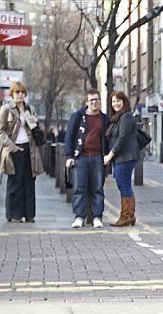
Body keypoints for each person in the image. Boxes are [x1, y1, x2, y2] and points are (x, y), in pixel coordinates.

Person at [0, 81, 44, 223]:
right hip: (14, 150)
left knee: (29, 182)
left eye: (22, 92)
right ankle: (14, 214)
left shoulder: (30, 109)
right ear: (12, 94)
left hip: (30, 150)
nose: (20, 95)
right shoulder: (6, 109)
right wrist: (12, 146)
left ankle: (29, 214)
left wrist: (35, 122)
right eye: (17, 92)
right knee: (15, 183)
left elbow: (35, 129)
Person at [65, 90, 109, 229]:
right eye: (91, 100)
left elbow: (107, 138)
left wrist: (107, 155)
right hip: (80, 157)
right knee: (79, 188)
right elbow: (69, 136)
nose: (94, 102)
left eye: (96, 99)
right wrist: (69, 156)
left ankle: (97, 217)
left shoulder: (104, 118)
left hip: (97, 157)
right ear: (87, 102)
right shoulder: (77, 116)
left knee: (97, 188)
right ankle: (79, 217)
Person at [104, 91, 141, 227]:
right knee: (123, 185)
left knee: (123, 184)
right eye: (113, 101)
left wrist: (110, 155)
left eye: (118, 101)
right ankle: (130, 216)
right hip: (122, 157)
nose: (116, 104)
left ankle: (126, 216)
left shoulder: (126, 117)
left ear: (124, 102)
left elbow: (122, 137)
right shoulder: (117, 118)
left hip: (125, 157)